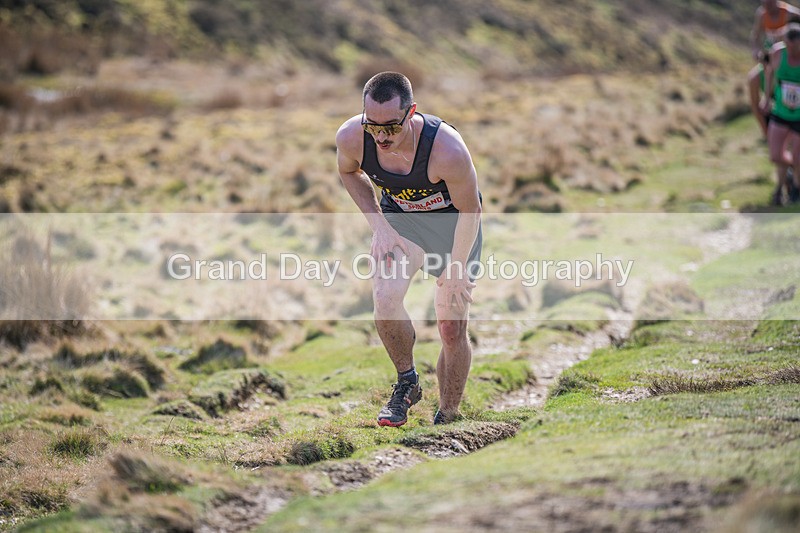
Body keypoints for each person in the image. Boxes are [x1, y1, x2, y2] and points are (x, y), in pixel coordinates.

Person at [335, 72, 482, 427]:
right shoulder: (352, 137)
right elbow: (348, 173)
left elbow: (471, 210)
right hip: (403, 224)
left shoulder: (446, 149)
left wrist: (457, 267)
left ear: (411, 111)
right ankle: (407, 383)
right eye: (373, 126)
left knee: (450, 328)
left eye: (392, 126)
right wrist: (379, 226)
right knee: (385, 299)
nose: (382, 136)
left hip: (455, 229)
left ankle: (448, 414)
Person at [763, 23, 800, 204]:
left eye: (796, 46)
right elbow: (769, 72)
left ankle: (795, 191)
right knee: (775, 155)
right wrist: (767, 97)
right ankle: (791, 174)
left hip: (799, 116)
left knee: (798, 155)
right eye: (789, 45)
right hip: (780, 111)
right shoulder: (778, 53)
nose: (792, 49)